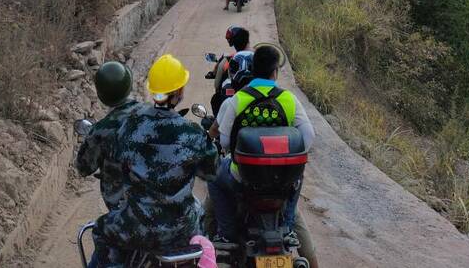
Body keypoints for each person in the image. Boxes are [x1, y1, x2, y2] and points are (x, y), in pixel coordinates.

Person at [92, 54, 218, 267]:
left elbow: (112, 163)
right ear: (179, 92)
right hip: (181, 228)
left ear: (153, 91)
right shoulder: (193, 133)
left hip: (135, 227)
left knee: (101, 230)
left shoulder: (127, 127)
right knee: (202, 218)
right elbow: (210, 173)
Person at [207, 45, 315, 247]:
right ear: (275, 72)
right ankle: (288, 227)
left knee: (213, 179)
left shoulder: (236, 101)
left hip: (242, 178)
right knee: (298, 177)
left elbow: (224, 142)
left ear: (253, 69)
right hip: (281, 180)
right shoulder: (289, 100)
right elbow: (307, 138)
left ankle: (226, 233)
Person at [76, 61, 143, 210]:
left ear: (101, 95)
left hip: (122, 211)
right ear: (129, 86)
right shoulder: (152, 114)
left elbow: (83, 167)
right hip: (158, 200)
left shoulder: (100, 131)